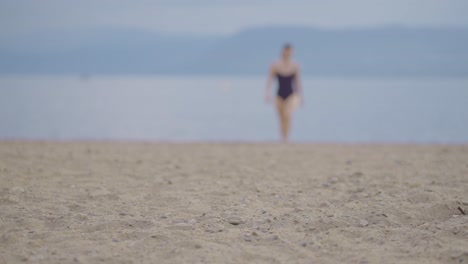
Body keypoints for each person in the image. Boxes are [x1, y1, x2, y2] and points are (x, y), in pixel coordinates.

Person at [265, 44, 303, 142]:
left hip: (291, 94)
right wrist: (267, 94)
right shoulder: (275, 65)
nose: (288, 53)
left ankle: (287, 138)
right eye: (287, 51)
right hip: (279, 94)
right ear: (283, 51)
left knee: (288, 114)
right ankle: (283, 138)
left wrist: (300, 96)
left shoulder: (295, 66)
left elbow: (298, 82)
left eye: (290, 51)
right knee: (281, 117)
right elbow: (270, 80)